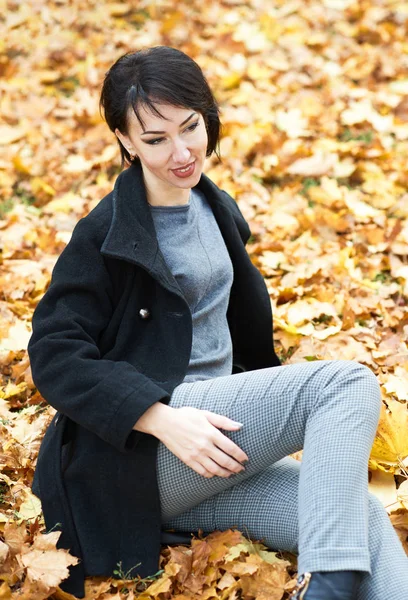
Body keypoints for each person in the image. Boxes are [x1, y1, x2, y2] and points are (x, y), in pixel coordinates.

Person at [27, 46, 408, 600]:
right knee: (345, 383)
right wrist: (158, 417)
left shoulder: (214, 204)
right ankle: (326, 586)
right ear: (126, 142)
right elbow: (53, 352)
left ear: (207, 116)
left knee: (361, 520)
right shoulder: (106, 232)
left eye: (190, 127)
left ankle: (334, 579)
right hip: (142, 454)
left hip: (216, 444)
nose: (181, 152)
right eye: (155, 141)